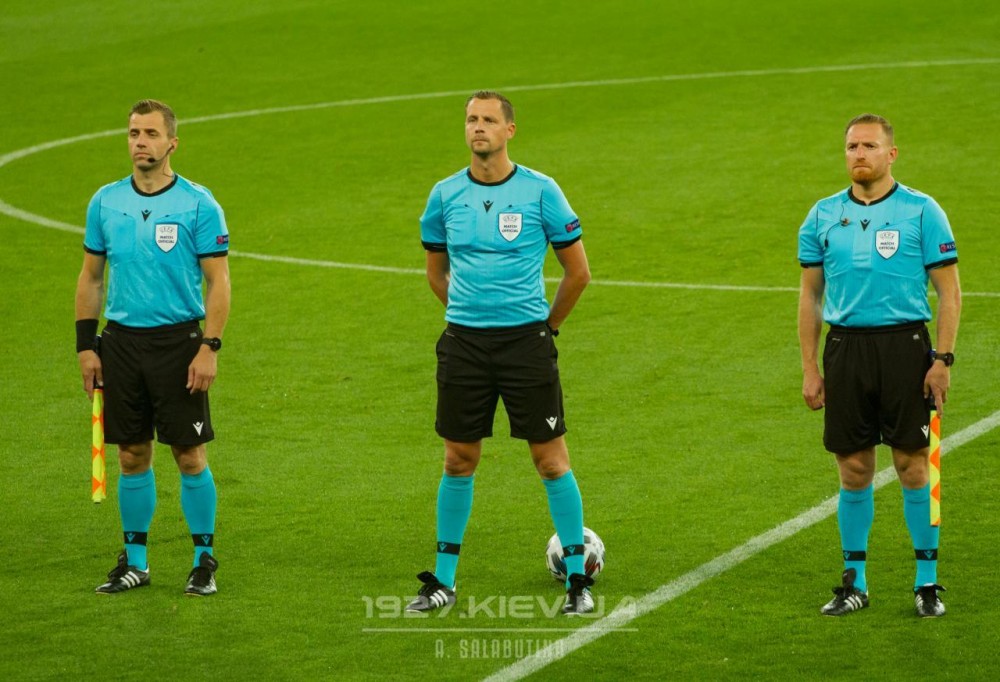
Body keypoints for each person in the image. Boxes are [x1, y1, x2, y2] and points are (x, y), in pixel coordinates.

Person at [406, 91, 594, 615]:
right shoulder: (445, 195)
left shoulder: (541, 191)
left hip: (525, 344)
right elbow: (436, 273)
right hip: (464, 345)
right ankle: (443, 581)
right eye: (472, 119)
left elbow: (578, 272)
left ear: (510, 130)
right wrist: (468, 313)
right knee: (457, 459)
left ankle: (577, 580)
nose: (478, 127)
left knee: (550, 460)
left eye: (489, 120)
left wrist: (547, 328)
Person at [797, 113, 961, 618]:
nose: (859, 154)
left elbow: (950, 293)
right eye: (852, 146)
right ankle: (855, 584)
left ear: (891, 154)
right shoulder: (822, 215)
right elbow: (810, 297)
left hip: (905, 350)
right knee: (853, 469)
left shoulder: (922, 211)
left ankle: (927, 583)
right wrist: (810, 367)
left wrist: (942, 359)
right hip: (845, 350)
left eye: (869, 146)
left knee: (915, 465)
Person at [75, 99, 231, 596]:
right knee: (131, 454)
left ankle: (203, 560)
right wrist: (86, 346)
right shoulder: (105, 202)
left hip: (178, 343)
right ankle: (136, 563)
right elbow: (91, 277)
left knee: (189, 454)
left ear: (172, 143)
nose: (140, 142)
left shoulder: (198, 204)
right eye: (133, 133)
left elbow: (219, 281)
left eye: (150, 134)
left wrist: (209, 346)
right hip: (120, 344)